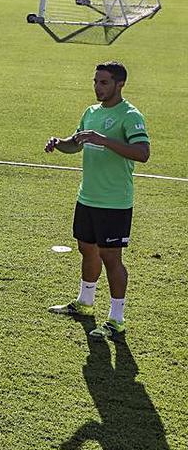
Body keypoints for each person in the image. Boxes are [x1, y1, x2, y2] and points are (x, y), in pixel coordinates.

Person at [45, 62, 150, 340]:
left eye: (104, 83)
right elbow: (76, 143)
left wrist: (104, 140)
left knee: (111, 258)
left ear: (119, 85)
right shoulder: (90, 112)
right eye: (95, 82)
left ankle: (117, 319)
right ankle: (85, 302)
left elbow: (142, 153)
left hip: (114, 202)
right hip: (87, 197)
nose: (98, 87)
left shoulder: (130, 116)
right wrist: (59, 143)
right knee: (86, 249)